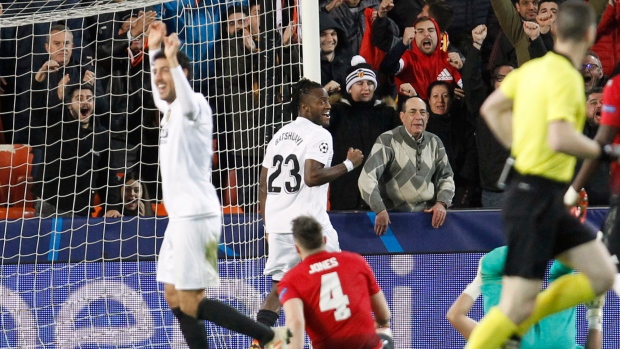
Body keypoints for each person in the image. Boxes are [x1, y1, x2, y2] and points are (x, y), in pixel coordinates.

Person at [468, 2, 616, 348]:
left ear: (555, 29)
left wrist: (518, 145)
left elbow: (492, 108)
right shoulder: (565, 76)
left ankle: (521, 322)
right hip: (535, 198)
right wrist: (607, 151)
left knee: (602, 273)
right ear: (590, 34)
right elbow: (560, 136)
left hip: (543, 198)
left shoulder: (532, 69)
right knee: (517, 304)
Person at [147, 21, 291, 349]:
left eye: (164, 71)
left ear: (181, 73)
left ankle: (269, 337)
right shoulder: (168, 110)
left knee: (193, 300)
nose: (158, 77)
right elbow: (160, 93)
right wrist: (156, 50)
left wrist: (168, 57)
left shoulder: (195, 105)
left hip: (198, 218)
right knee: (174, 295)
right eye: (156, 71)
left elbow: (182, 96)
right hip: (180, 219)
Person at [250, 79, 364, 347]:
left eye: (327, 101)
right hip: (309, 225)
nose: (327, 107)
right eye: (320, 101)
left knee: (281, 287)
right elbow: (312, 177)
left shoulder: (279, 134)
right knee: (335, 279)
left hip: (278, 225)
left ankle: (258, 340)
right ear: (304, 107)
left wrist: (268, 226)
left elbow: (263, 185)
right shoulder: (319, 134)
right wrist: (349, 164)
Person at [447, 246, 604, 349]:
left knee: (561, 273)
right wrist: (481, 279)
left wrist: (595, 314)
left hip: (555, 340)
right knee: (491, 270)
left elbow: (454, 316)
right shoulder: (488, 337)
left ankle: (562, 241)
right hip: (520, 337)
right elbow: (454, 316)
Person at [279, 215, 393, 349]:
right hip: (368, 346)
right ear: (324, 240)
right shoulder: (355, 261)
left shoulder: (291, 279)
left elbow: (296, 322)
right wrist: (381, 323)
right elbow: (384, 315)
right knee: (385, 334)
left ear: (297, 248)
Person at [358, 96, 455, 234]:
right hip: (392, 220)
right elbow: (366, 179)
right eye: (412, 112)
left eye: (422, 113)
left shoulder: (435, 142)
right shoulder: (387, 140)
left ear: (427, 117)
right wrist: (379, 209)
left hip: (427, 221)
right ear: (402, 117)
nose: (418, 117)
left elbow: (446, 176)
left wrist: (442, 203)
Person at [568, 73, 620, 298]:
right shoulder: (614, 87)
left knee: (608, 265)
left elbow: (601, 143)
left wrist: (572, 191)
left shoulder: (615, 85)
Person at [327, 55, 400, 210]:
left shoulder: (387, 113)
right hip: (345, 192)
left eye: (369, 83)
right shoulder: (336, 112)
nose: (366, 87)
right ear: (350, 87)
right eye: (359, 83)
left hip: (380, 192)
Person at [379, 16, 462, 103]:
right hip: (414, 115)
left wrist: (461, 69)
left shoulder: (450, 59)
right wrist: (403, 43)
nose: (426, 34)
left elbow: (468, 90)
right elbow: (386, 68)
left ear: (438, 35)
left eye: (430, 30)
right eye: (420, 31)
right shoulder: (407, 58)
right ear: (414, 36)